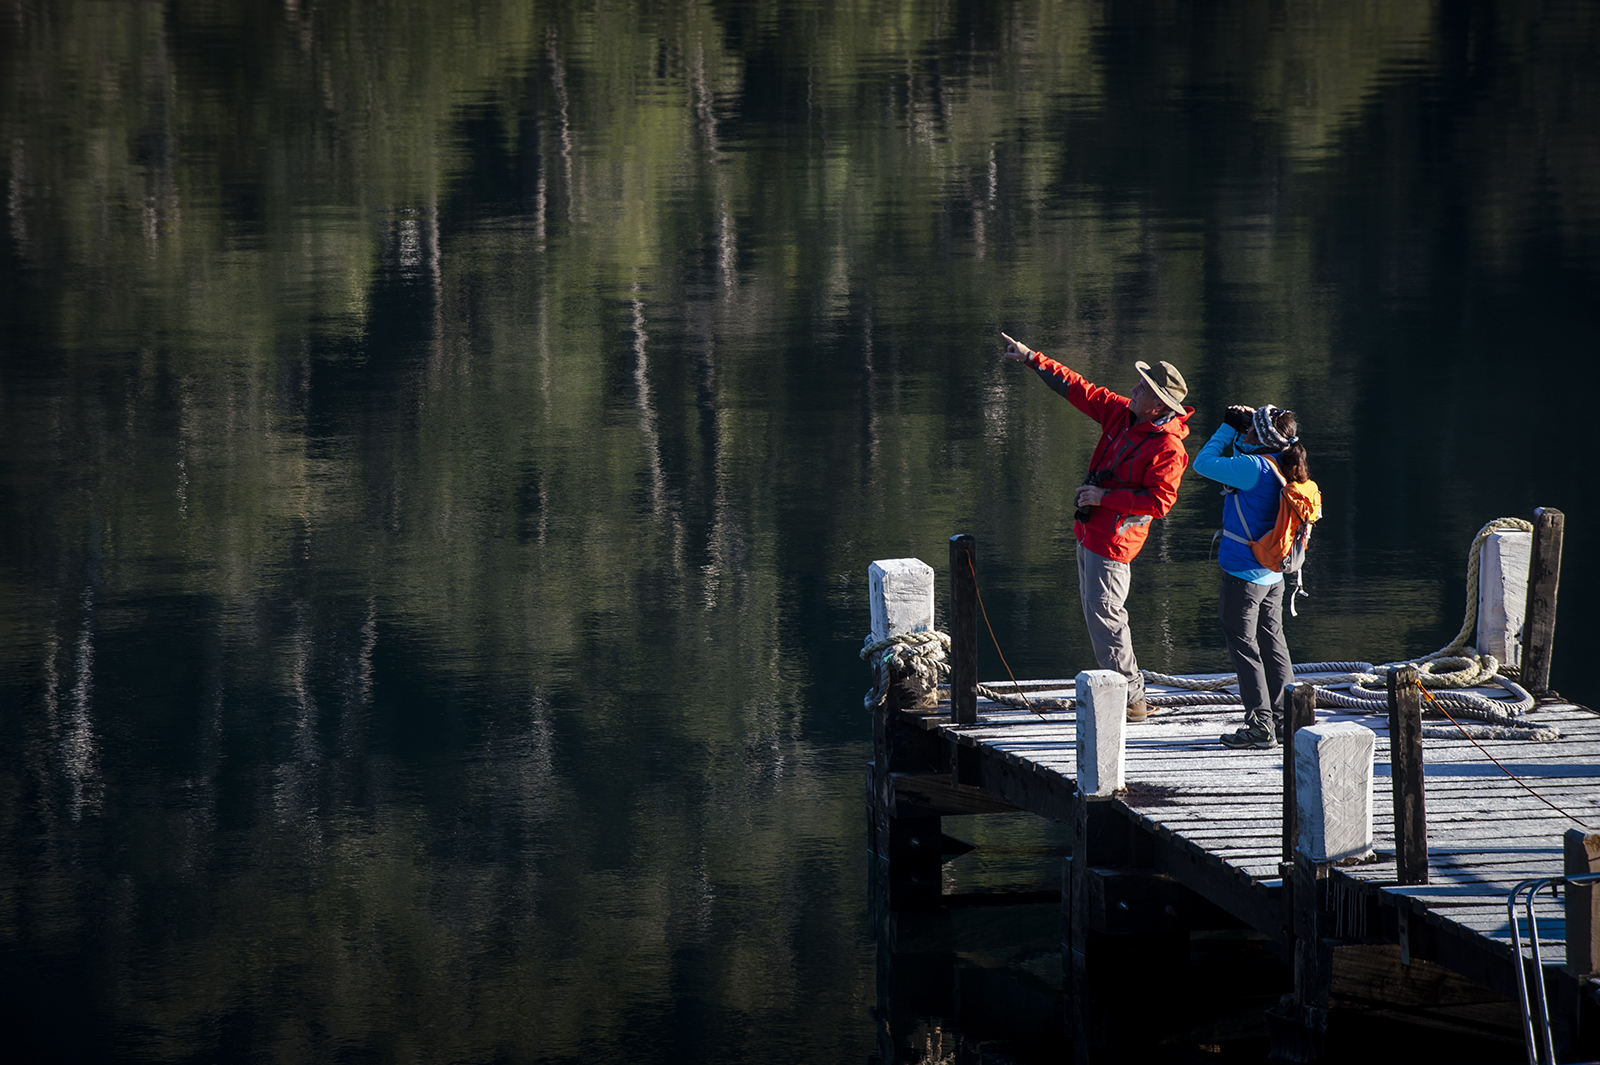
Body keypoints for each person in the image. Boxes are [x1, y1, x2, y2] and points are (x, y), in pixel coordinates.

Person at [999, 332, 1192, 721]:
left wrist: (1104, 498)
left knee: (1106, 616)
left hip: (1114, 544)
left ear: (1159, 406)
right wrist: (1032, 358)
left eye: (1144, 388)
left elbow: (1160, 503)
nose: (1134, 389)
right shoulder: (1122, 413)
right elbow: (1078, 388)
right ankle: (1125, 693)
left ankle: (1132, 701)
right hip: (1089, 534)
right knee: (1098, 616)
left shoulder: (1169, 449)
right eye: (1140, 383)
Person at [1193, 403, 1308, 749]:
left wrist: (1228, 427)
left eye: (1248, 428)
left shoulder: (1252, 467)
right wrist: (1248, 432)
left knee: (1244, 647)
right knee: (1274, 642)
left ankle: (1260, 725)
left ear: (1257, 435)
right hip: (1273, 573)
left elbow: (1202, 463)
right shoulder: (1282, 465)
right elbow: (1250, 455)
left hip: (1242, 575)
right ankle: (1289, 718)